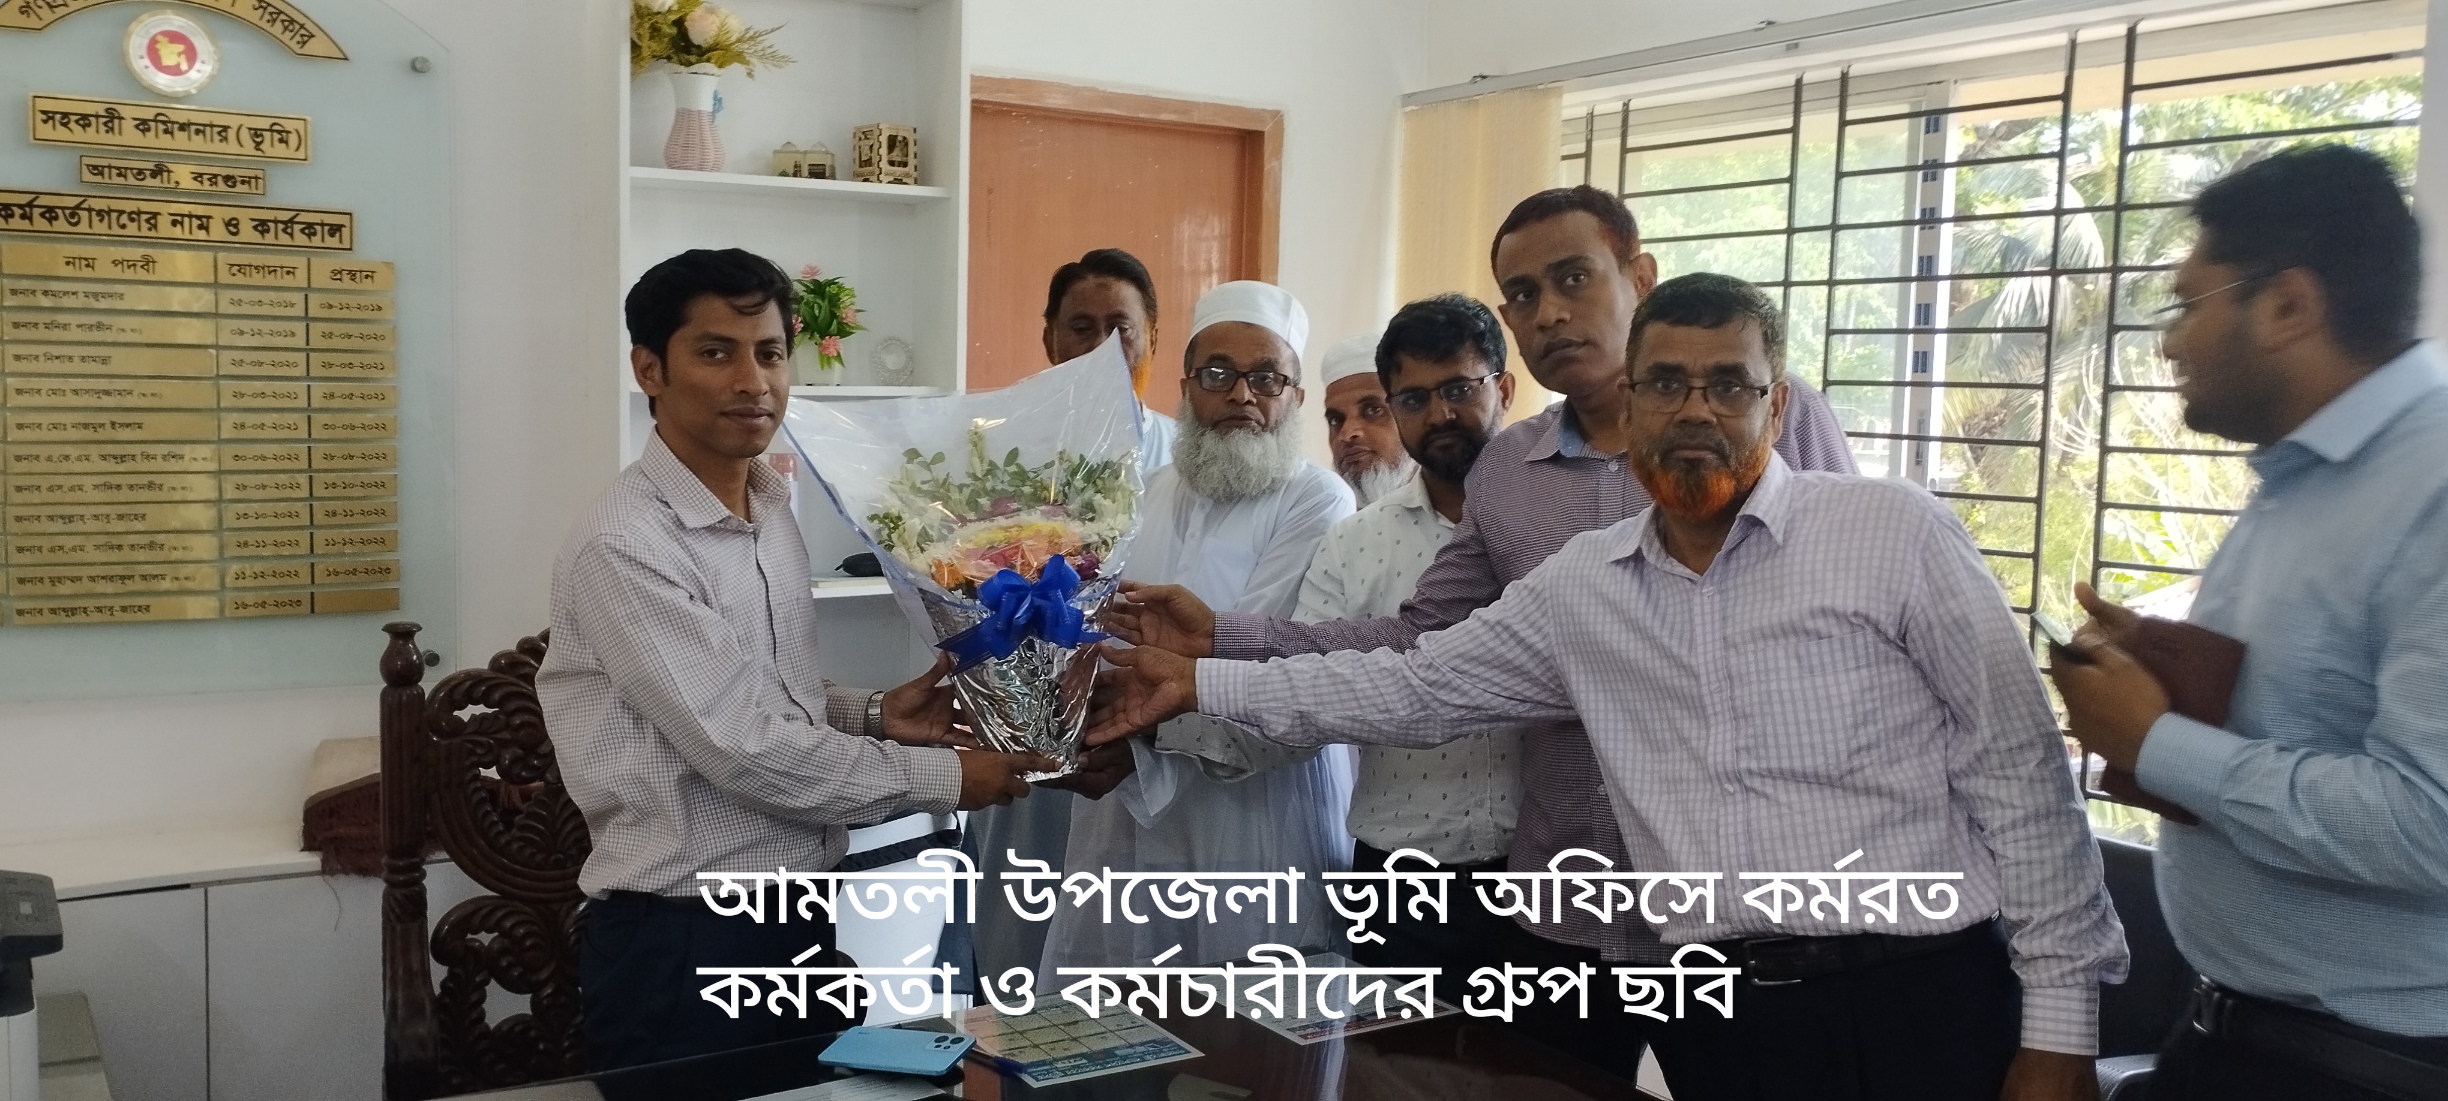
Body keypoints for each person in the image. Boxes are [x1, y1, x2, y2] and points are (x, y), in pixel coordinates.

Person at [1093, 273, 2126, 1101]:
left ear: (1778, 403)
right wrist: (1203, 684)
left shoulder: (1891, 534)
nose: (1695, 409)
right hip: (1716, 1018)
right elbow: (1413, 683)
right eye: (1666, 383)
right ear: (1630, 402)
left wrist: (2060, 1034)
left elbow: (2022, 780)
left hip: (1916, 995)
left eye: (1729, 385)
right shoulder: (1587, 584)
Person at [1103, 185, 1859, 1077]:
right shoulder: (1512, 470)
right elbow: (1419, 647)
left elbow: (1841, 628)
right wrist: (1224, 640)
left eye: (1573, 278)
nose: (1551, 312)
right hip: (1568, 904)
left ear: (1640, 276)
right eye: (1525, 294)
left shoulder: (1767, 416)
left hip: (1742, 902)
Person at [538, 248, 1053, 1069]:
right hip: (684, 941)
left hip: (798, 918)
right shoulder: (625, 543)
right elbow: (746, 749)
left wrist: (876, 712)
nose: (754, 381)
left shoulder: (770, 506)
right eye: (716, 352)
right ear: (650, 369)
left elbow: (764, 690)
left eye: (771, 353)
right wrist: (952, 777)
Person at [2050, 145, 2448, 1101]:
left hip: (2366, 1067)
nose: (2169, 344)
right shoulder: (2305, 477)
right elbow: (2315, 706)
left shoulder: (2432, 486)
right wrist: (2159, 668)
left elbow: (2431, 823)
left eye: (2188, 304)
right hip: (2242, 1035)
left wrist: (2156, 742)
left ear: (2288, 305)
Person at [1043, 280, 1357, 973]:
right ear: (1186, 387)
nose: (1242, 395)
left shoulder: (1319, 500)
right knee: (1117, 1009)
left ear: (1296, 396)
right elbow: (1098, 634)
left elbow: (1269, 669)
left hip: (1255, 814)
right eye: (1218, 374)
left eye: (1267, 377)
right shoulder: (1141, 494)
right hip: (1124, 798)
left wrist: (1134, 737)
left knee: (1247, 1018)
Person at [1294, 294, 1517, 978]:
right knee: (1394, 1048)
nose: (1440, 414)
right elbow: (1305, 681)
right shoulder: (1354, 542)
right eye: (1415, 399)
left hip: (1545, 872)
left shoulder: (1565, 522)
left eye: (1459, 389)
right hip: (1397, 880)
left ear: (1504, 389)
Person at [1042, 247, 1176, 468]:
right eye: (1082, 329)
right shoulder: (1008, 450)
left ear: (1152, 342)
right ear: (1049, 342)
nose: (1102, 347)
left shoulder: (1180, 456)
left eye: (1120, 329)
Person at [1316, 330, 1416, 505]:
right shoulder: (1324, 514)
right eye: (1336, 420)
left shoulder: (1462, 508)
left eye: (1373, 410)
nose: (1347, 434)